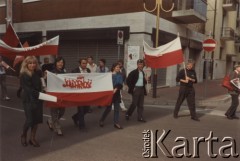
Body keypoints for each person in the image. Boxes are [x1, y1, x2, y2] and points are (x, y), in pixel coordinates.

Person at [19, 56, 43, 147]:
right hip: (29, 100)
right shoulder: (24, 75)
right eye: (30, 63)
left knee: (36, 121)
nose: (32, 65)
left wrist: (44, 78)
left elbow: (42, 83)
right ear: (26, 64)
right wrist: (41, 95)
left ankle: (32, 138)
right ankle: (23, 135)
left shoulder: (38, 72)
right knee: (30, 120)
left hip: (38, 99)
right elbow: (28, 90)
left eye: (34, 63)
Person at [99, 62, 123, 129]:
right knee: (108, 109)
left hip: (116, 94)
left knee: (117, 109)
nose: (118, 68)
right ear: (113, 68)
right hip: (110, 94)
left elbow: (120, 84)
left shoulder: (120, 75)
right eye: (117, 67)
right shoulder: (109, 75)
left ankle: (116, 123)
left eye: (119, 67)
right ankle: (101, 120)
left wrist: (115, 89)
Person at [46, 57, 66, 136]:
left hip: (62, 96)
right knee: (54, 112)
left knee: (62, 112)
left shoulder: (64, 72)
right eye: (59, 62)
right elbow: (46, 82)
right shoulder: (51, 72)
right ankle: (58, 128)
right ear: (56, 63)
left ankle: (50, 120)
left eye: (62, 62)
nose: (60, 64)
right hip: (53, 95)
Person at [71, 58, 91, 131]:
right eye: (83, 63)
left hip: (86, 93)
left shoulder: (88, 70)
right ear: (80, 64)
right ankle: (82, 126)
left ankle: (75, 117)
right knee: (81, 110)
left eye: (86, 63)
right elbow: (72, 81)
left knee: (86, 109)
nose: (85, 64)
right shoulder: (74, 71)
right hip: (78, 94)